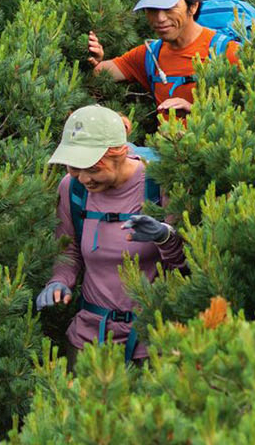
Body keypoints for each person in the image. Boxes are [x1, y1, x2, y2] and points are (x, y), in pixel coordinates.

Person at [36, 105, 188, 362]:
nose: (84, 178)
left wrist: (164, 237)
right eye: (74, 167)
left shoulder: (159, 183)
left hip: (154, 342)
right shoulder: (72, 189)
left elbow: (187, 267)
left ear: (119, 153)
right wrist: (59, 281)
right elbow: (68, 250)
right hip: (88, 341)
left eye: (93, 169)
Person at [86, 0, 244, 122]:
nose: (160, 18)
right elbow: (99, 73)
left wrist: (195, 111)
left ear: (193, 7)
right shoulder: (150, 54)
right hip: (164, 139)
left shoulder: (228, 52)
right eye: (152, 9)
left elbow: (254, 113)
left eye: (169, 8)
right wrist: (95, 59)